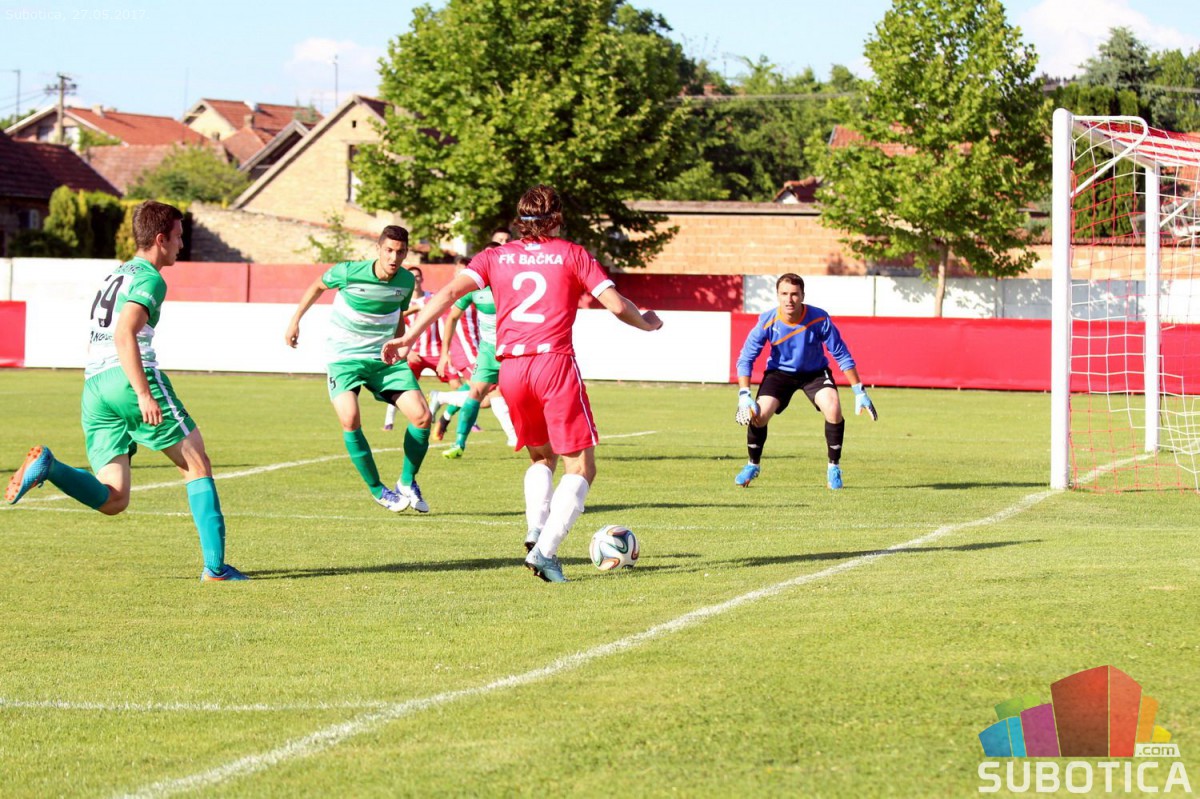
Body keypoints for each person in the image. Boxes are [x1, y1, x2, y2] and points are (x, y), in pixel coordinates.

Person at [382, 184, 662, 583]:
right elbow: (616, 305)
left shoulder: (494, 256)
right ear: (557, 217)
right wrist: (647, 323)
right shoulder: (572, 253)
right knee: (581, 466)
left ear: (519, 219)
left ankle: (535, 530)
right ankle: (545, 552)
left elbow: (448, 293)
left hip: (511, 369)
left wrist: (409, 337)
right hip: (553, 364)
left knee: (541, 457)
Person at [4, 200, 248, 581]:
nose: (182, 244)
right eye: (178, 237)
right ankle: (216, 570)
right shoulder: (151, 278)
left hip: (95, 386)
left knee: (114, 498)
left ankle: (50, 467)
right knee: (196, 463)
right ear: (160, 239)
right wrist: (143, 393)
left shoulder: (116, 273)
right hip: (128, 379)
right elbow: (124, 333)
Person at [285, 225, 431, 513]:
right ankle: (378, 490)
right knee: (350, 419)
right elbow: (317, 286)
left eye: (400, 252)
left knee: (422, 417)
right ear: (378, 249)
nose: (394, 257)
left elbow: (397, 314)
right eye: (389, 250)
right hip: (344, 358)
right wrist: (295, 321)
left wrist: (400, 344)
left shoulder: (405, 281)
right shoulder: (348, 271)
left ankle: (406, 481)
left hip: (383, 359)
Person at [733, 273, 878, 490]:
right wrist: (744, 394)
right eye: (784, 294)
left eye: (794, 294)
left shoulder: (819, 318)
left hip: (815, 373)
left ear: (802, 295)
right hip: (779, 374)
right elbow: (746, 358)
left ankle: (833, 468)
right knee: (759, 415)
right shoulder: (767, 321)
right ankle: (753, 465)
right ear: (777, 295)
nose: (789, 299)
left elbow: (841, 354)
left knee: (834, 408)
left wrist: (859, 391)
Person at [433, 281, 518, 457]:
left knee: (513, 395)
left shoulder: (512, 283)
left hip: (513, 351)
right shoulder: (473, 289)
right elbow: (452, 317)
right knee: (478, 394)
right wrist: (444, 353)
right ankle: (459, 444)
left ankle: (442, 401)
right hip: (487, 353)